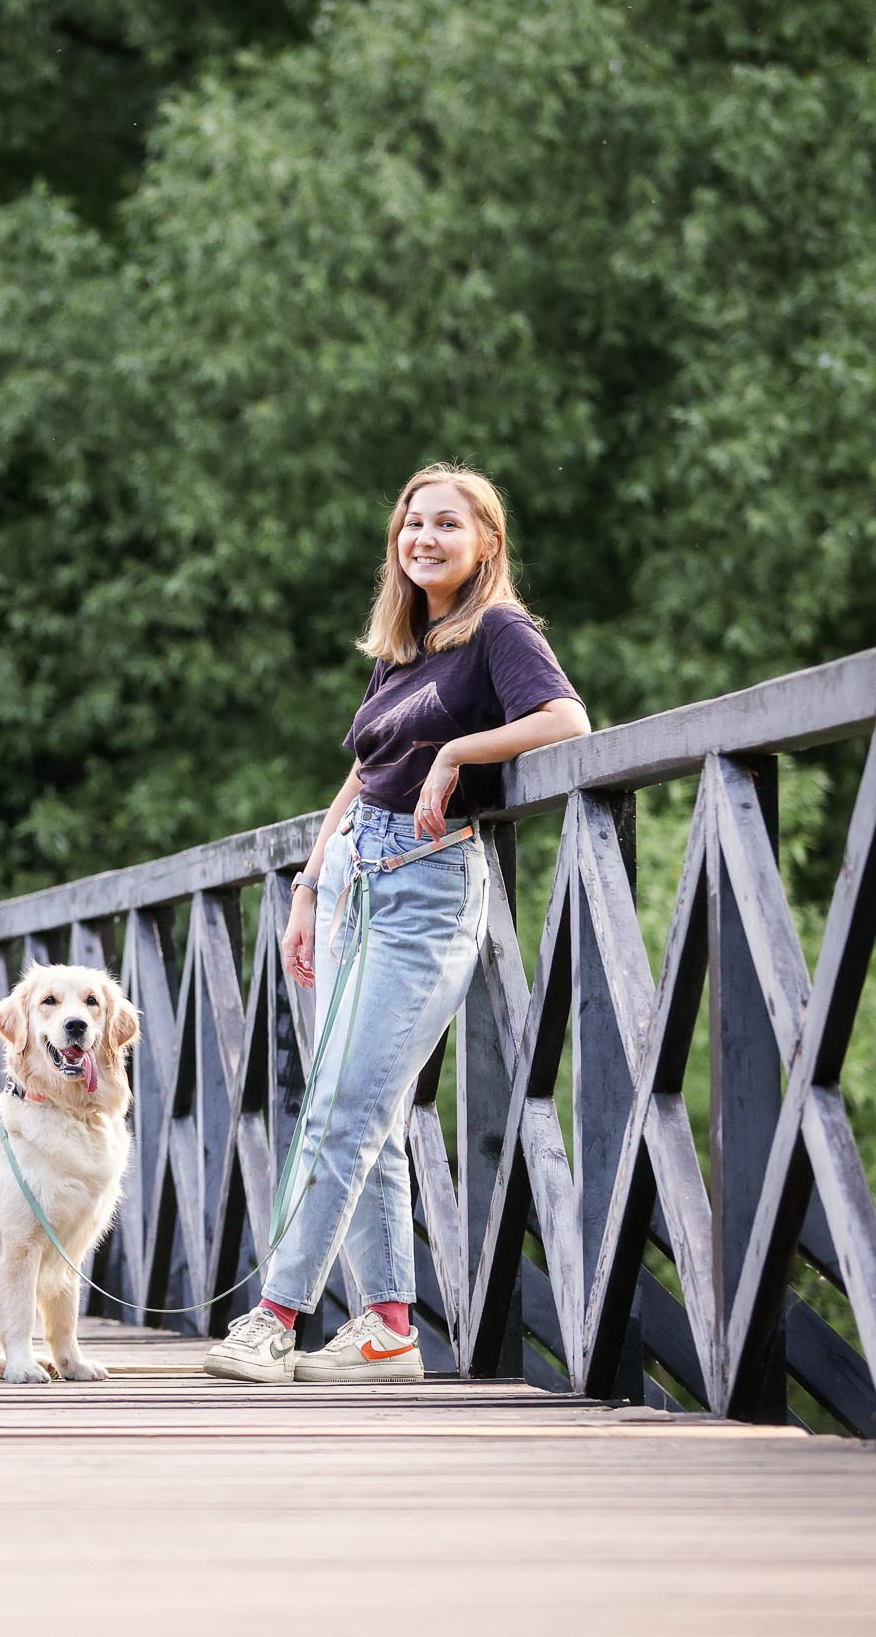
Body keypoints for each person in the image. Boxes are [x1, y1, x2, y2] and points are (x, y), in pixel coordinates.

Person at [203, 462, 588, 1385]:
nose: (425, 537)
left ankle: (275, 1317)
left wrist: (459, 751)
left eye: (448, 523)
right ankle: (385, 1328)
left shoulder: (500, 630)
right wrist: (308, 884)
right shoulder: (407, 644)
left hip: (424, 886)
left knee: (342, 1106)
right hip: (350, 878)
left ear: (487, 542)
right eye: (414, 522)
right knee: (360, 1105)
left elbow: (567, 721)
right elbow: (363, 771)